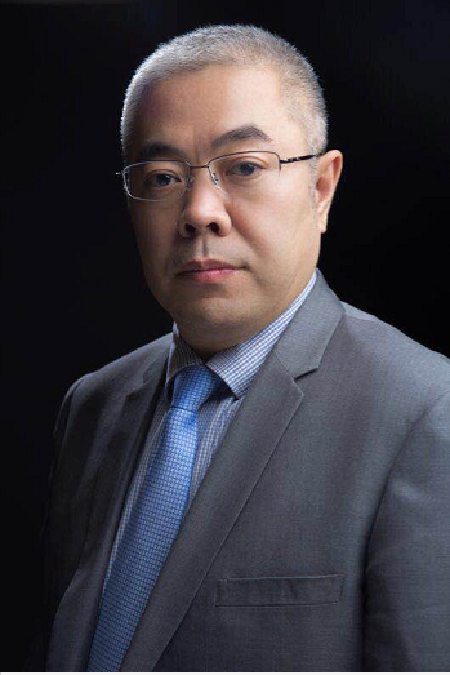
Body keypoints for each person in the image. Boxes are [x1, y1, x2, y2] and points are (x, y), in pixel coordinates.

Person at [33, 24, 449, 671]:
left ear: (321, 187)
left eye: (245, 167)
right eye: (162, 176)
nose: (199, 211)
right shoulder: (92, 407)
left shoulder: (424, 411)